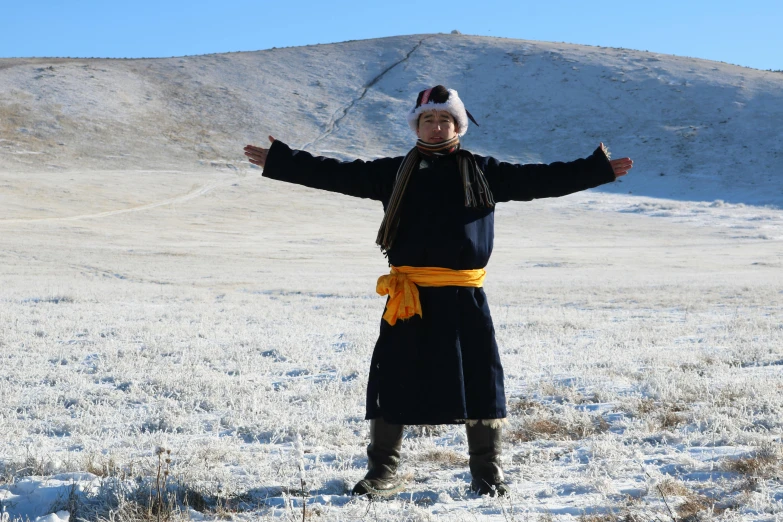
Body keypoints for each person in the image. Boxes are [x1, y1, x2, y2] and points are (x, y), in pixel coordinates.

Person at [244, 85, 633, 498]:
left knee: (480, 380)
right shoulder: (392, 172)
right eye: (427, 119)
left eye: (444, 119)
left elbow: (542, 178)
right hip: (408, 297)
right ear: (417, 124)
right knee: (393, 378)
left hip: (464, 296)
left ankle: (487, 473)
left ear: (458, 125)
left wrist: (597, 170)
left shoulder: (485, 171)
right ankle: (383, 472)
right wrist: (284, 162)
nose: (435, 126)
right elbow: (335, 173)